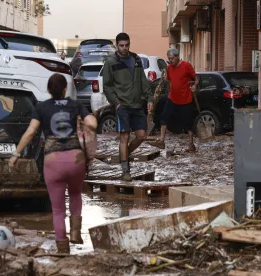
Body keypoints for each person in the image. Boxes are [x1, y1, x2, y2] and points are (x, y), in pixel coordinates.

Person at [9, 73, 97, 254]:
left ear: (49, 90)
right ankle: (74, 232)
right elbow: (93, 124)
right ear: (65, 89)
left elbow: (30, 133)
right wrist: (86, 121)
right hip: (75, 159)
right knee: (75, 194)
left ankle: (63, 248)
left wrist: (16, 154)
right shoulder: (75, 105)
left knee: (57, 209)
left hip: (53, 161)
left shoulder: (41, 107)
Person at [102, 32, 153, 182]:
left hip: (137, 105)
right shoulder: (110, 63)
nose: (124, 48)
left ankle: (124, 154)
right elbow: (107, 86)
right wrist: (116, 103)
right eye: (121, 46)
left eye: (127, 45)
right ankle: (125, 171)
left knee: (142, 136)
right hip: (122, 106)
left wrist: (150, 97)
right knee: (124, 138)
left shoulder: (136, 59)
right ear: (117, 46)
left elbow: (143, 81)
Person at [148, 48, 199, 152]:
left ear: (177, 56)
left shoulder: (186, 66)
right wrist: (170, 92)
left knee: (188, 123)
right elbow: (170, 82)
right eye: (169, 58)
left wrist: (195, 85)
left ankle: (191, 144)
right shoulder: (169, 68)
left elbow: (197, 77)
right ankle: (161, 140)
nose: (170, 61)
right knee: (164, 117)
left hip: (185, 99)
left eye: (172, 58)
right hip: (172, 98)